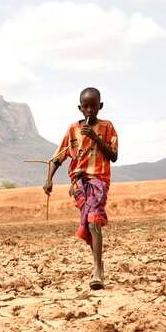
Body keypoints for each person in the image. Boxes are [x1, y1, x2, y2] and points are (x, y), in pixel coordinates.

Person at [43, 87, 119, 290]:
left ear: (100, 106)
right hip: (79, 184)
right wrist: (49, 179)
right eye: (85, 106)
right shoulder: (72, 130)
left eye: (93, 106)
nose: (89, 110)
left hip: (99, 181)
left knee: (94, 220)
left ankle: (97, 270)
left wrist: (94, 137)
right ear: (80, 108)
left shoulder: (107, 127)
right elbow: (58, 157)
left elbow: (113, 155)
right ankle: (98, 261)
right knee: (89, 222)